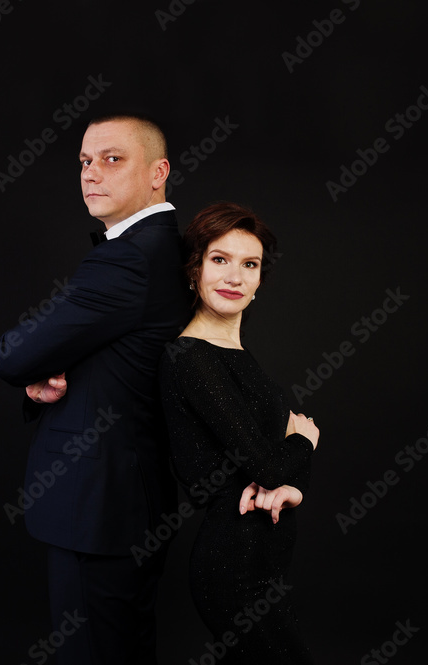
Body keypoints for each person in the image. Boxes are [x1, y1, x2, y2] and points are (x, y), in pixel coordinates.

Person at [0, 113, 191, 664]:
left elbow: (15, 356)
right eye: (84, 161)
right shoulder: (163, 248)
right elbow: (113, 360)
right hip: (129, 499)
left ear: (159, 173)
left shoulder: (130, 257)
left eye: (111, 159)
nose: (90, 173)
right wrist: (40, 381)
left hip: (98, 506)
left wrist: (29, 365)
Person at [157, 202, 319, 664]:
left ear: (260, 282)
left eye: (250, 265)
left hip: (265, 563)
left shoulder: (239, 357)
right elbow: (269, 462)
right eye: (219, 259)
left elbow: (276, 471)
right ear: (194, 270)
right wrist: (306, 441)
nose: (235, 276)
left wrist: (291, 489)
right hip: (233, 568)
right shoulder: (191, 358)